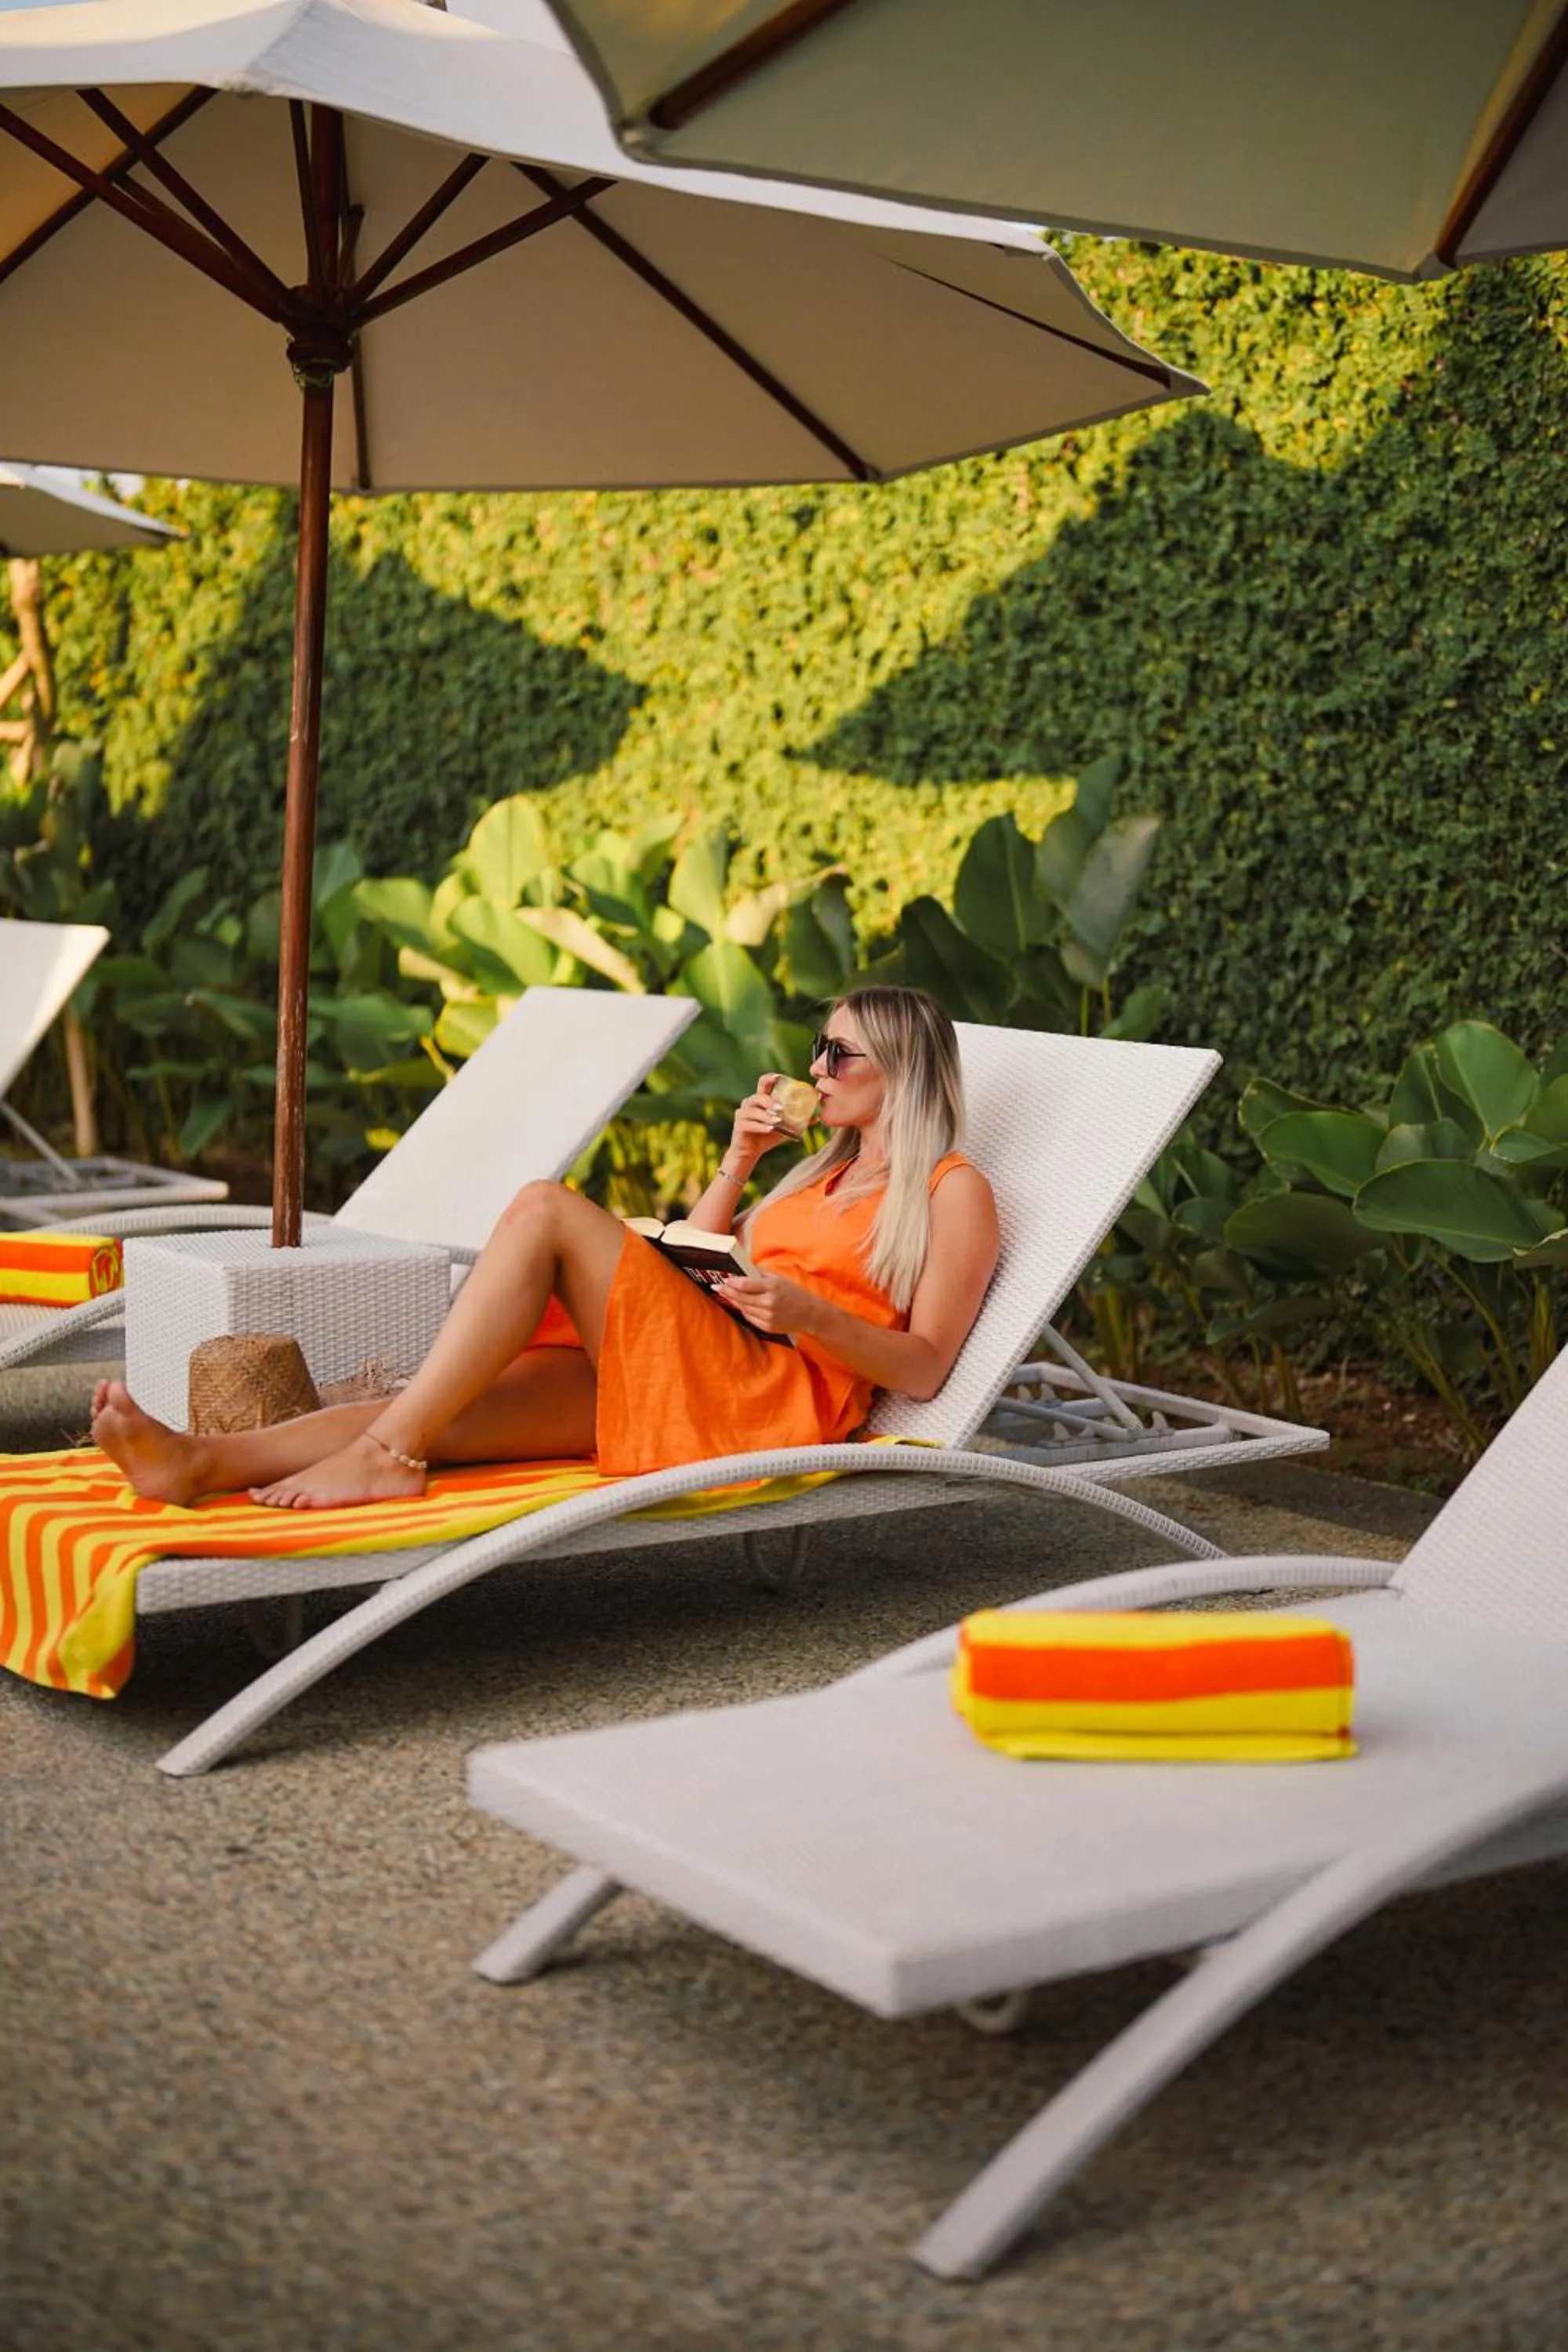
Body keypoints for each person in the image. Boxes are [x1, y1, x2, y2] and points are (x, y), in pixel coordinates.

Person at [90, 985, 1000, 1512]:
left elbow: (920, 1372)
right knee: (447, 1408)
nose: (814, 1071)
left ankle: (383, 1458)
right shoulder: (817, 1177)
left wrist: (809, 1314)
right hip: (699, 1354)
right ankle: (199, 1464)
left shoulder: (949, 1192)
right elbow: (702, 1248)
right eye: (817, 1049)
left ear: (903, 1071)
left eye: (839, 1056)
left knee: (544, 1208)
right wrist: (740, 1160)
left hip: (766, 1393)